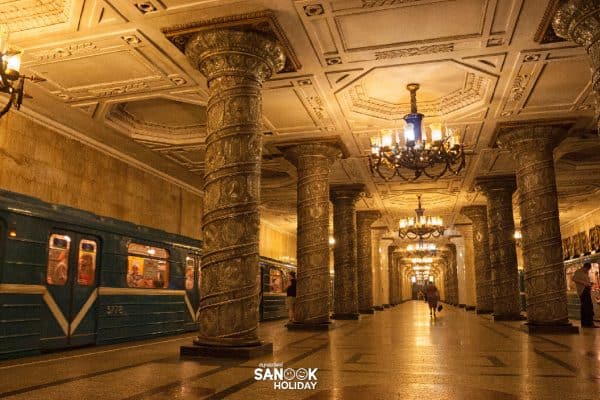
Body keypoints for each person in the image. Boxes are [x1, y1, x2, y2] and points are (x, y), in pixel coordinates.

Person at [572, 262, 598, 328]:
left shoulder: (585, 273)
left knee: (587, 307)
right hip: (583, 291)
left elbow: (585, 281)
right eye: (587, 269)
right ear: (585, 267)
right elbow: (574, 279)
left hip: (586, 290)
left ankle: (586, 324)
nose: (588, 271)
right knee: (587, 307)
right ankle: (588, 323)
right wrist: (584, 283)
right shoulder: (578, 271)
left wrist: (589, 283)